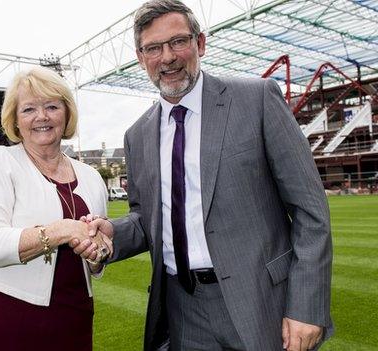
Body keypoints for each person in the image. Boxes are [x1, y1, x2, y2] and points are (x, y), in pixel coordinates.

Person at [72, 1, 333, 350]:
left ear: (201, 44)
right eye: (154, 48)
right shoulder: (137, 135)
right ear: (141, 57)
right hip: (182, 309)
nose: (167, 57)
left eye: (178, 42)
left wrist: (307, 306)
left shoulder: (256, 99)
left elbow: (310, 210)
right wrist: (112, 233)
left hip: (260, 302)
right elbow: (146, 217)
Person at [0, 66, 110, 351]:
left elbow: (96, 261)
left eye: (52, 106)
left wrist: (98, 255)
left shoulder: (91, 176)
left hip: (75, 313)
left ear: (66, 114)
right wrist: (60, 230)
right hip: (9, 313)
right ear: (16, 121)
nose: (41, 116)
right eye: (29, 109)